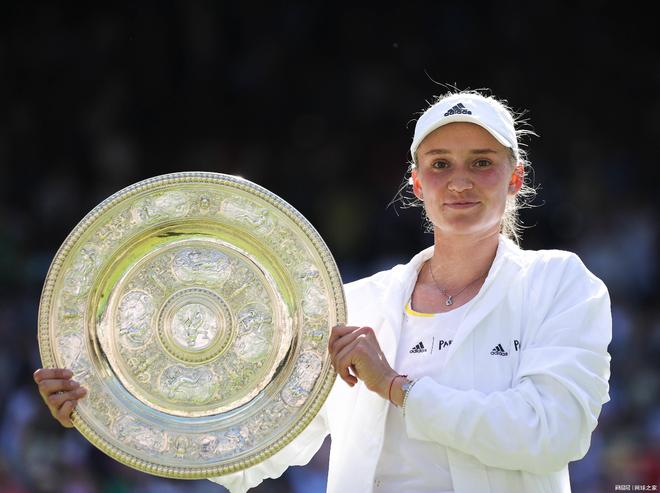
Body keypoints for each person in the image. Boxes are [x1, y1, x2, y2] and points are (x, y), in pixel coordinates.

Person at [34, 89, 612, 493]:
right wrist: (106, 410)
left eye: (481, 162)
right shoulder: (354, 303)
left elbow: (551, 432)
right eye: (440, 164)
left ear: (515, 178)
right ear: (416, 183)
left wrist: (397, 388)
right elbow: (257, 454)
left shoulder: (559, 284)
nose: (459, 180)